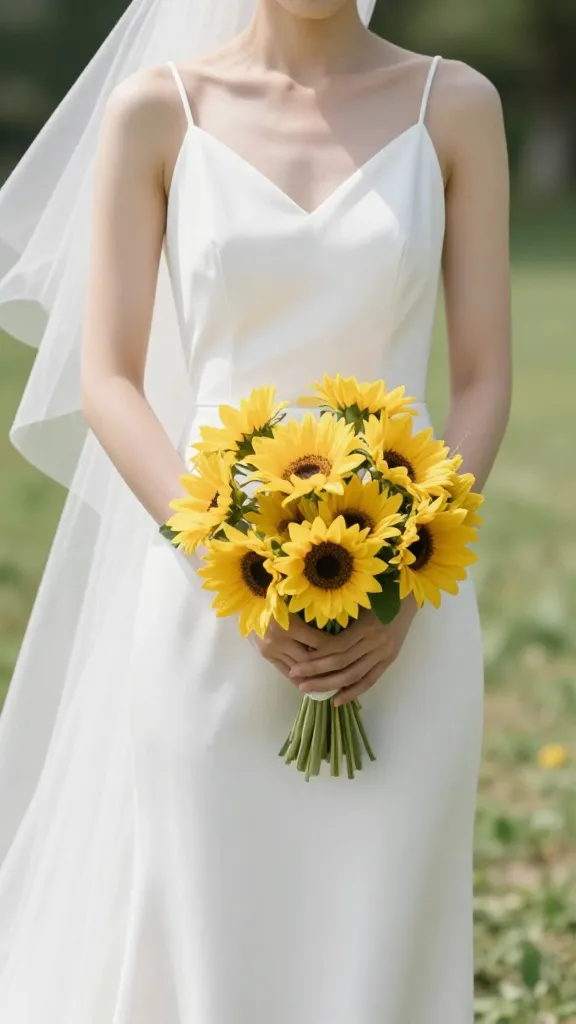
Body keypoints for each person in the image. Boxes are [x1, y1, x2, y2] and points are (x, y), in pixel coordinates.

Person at [0, 0, 511, 1020]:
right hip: (208, 603)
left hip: (405, 611)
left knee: (381, 943)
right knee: (213, 938)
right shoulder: (158, 112)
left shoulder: (454, 104)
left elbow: (484, 379)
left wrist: (405, 579)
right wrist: (223, 559)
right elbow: (108, 377)